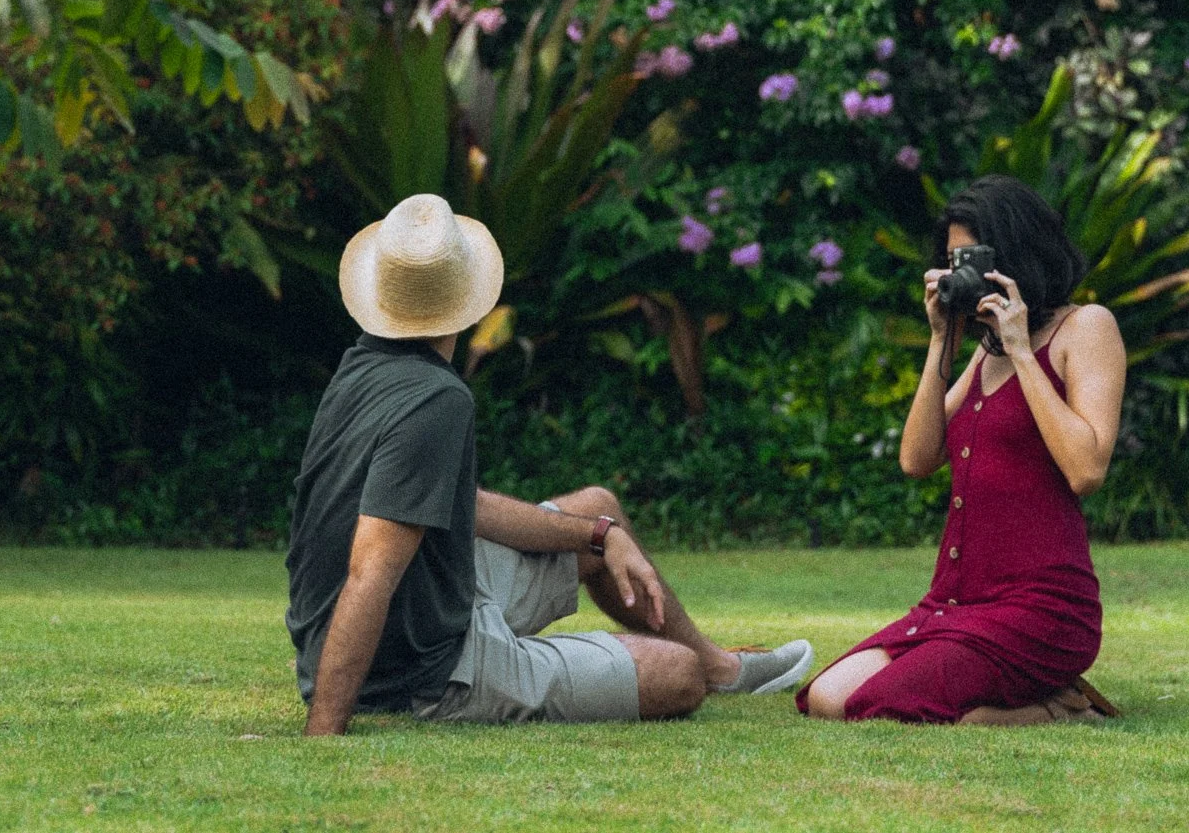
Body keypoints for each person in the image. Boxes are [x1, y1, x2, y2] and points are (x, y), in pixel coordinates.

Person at [288, 193, 813, 735]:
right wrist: (324, 728)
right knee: (675, 677)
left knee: (598, 510)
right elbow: (372, 568)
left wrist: (597, 534)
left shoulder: (360, 368)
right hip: (422, 674)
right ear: (467, 297)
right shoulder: (436, 399)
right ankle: (675, 667)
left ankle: (720, 666)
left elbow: (460, 506)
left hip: (438, 607)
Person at [798, 175, 1127, 725]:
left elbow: (1086, 469)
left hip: (1040, 607)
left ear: (1017, 253)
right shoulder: (983, 351)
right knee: (828, 699)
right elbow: (916, 459)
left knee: (885, 707)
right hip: (956, 604)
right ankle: (1012, 698)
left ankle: (1063, 708)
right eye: (953, 263)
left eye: (971, 259)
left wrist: (1022, 348)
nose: (962, 276)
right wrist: (940, 341)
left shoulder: (1086, 328)